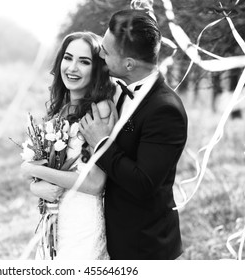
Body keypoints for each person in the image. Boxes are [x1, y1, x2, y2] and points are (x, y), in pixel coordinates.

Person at [79, 9, 188, 259]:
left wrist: (101, 143)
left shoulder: (165, 110)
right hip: (111, 237)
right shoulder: (116, 89)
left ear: (129, 63)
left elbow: (143, 184)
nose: (100, 54)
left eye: (106, 51)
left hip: (145, 247)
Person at [21, 31, 116, 259]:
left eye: (84, 61)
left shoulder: (100, 110)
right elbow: (53, 175)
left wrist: (33, 169)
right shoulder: (61, 109)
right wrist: (36, 186)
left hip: (82, 222)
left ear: (96, 68)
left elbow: (95, 183)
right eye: (68, 57)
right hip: (55, 220)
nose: (72, 68)